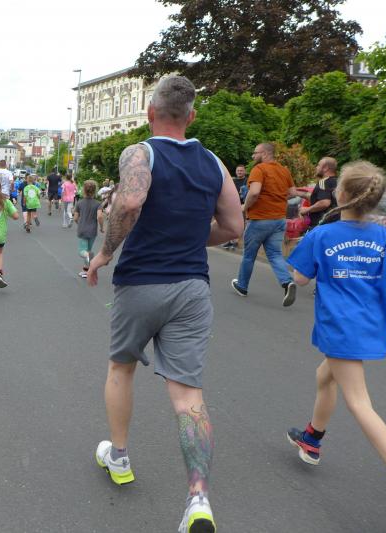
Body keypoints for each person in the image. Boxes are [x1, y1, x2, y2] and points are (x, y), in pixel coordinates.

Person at [86, 76, 244, 533]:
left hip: (141, 283)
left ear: (150, 112)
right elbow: (234, 226)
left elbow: (130, 202)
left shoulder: (140, 153)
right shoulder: (213, 162)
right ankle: (198, 499)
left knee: (121, 368)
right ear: (191, 116)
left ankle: (119, 455)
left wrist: (104, 252)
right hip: (192, 287)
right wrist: (191, 238)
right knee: (188, 395)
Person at [285, 161, 386, 487]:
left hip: (340, 327)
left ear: (340, 194)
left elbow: (300, 279)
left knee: (359, 403)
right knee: (325, 376)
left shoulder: (321, 234)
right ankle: (311, 438)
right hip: (370, 324)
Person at [231, 143, 299, 306]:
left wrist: (244, 207)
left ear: (265, 153)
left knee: (249, 255)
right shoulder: (284, 170)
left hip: (260, 219)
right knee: (275, 254)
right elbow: (293, 193)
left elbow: (254, 192)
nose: (253, 156)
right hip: (279, 219)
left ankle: (242, 286)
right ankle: (287, 282)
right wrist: (276, 199)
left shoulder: (259, 169)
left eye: (255, 153)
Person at [297, 157, 339, 230]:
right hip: (336, 223)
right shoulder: (338, 182)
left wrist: (307, 209)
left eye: (318, 165)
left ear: (325, 168)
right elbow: (322, 198)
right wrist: (301, 194)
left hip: (322, 224)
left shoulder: (323, 182)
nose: (316, 167)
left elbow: (324, 202)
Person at [74, 180, 104, 278]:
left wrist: (79, 223)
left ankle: (89, 262)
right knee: (88, 250)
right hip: (92, 230)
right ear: (95, 190)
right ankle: (86, 270)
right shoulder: (98, 204)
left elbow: (75, 218)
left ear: (84, 190)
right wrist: (102, 227)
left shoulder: (79, 203)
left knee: (82, 251)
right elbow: (100, 216)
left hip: (82, 229)